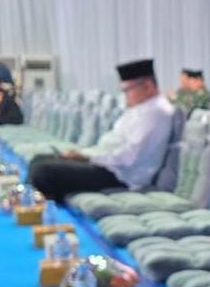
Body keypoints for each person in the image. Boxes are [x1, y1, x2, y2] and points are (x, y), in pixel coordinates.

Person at [28, 59, 174, 203]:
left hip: (121, 176)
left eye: (127, 90)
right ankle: (26, 201)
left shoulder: (157, 112)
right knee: (38, 159)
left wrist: (87, 157)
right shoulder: (141, 107)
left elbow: (129, 157)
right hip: (106, 164)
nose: (125, 96)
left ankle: (38, 209)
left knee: (42, 171)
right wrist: (84, 154)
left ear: (148, 86)